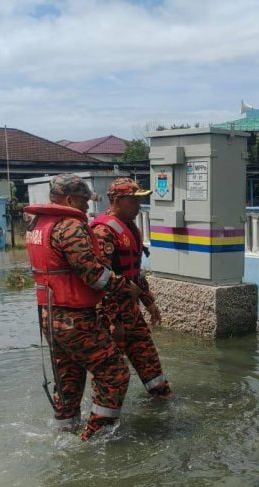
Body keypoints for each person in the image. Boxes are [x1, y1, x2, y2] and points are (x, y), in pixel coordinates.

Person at [24, 174, 142, 440]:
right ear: (68, 199)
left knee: (69, 378)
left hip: (49, 314)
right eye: (84, 201)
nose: (88, 208)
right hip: (74, 318)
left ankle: (64, 432)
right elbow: (93, 274)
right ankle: (96, 438)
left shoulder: (37, 224)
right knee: (114, 373)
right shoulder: (69, 226)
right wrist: (126, 287)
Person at [90, 177, 173, 400]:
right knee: (110, 371)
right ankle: (104, 417)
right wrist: (112, 321)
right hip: (112, 314)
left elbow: (134, 272)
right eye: (133, 201)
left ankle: (161, 398)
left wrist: (149, 301)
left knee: (148, 358)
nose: (138, 207)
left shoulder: (131, 229)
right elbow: (99, 280)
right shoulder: (102, 231)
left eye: (139, 202)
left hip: (131, 311)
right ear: (116, 200)